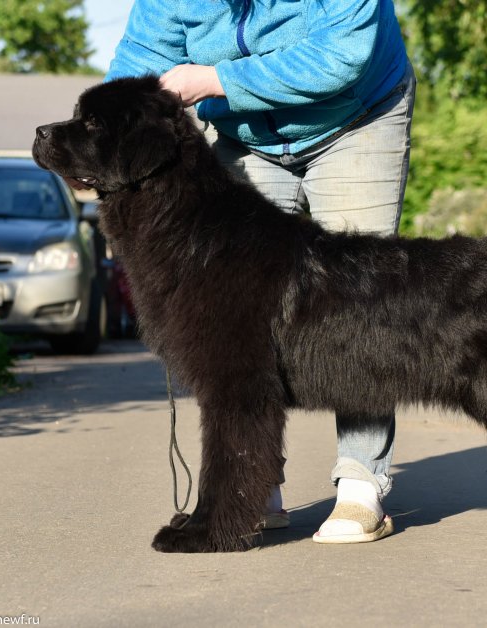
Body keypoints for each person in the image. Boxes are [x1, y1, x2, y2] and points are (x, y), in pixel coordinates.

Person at [103, 0, 415, 544]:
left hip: (356, 116)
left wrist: (214, 78)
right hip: (247, 134)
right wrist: (105, 149)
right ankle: (249, 490)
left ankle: (361, 485)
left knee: (358, 308)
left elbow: (341, 56)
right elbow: (139, 63)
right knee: (226, 329)